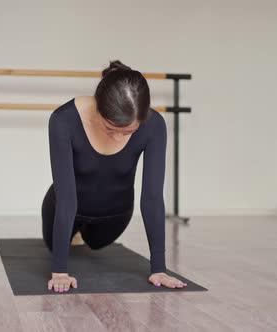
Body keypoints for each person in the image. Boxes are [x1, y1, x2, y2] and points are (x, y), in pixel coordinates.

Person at [42, 60, 187, 293]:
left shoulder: (154, 125)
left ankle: (84, 235)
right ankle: (72, 234)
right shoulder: (63, 120)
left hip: (114, 215)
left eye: (129, 132)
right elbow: (66, 199)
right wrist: (60, 270)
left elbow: (151, 197)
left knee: (97, 244)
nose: (119, 138)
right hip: (65, 206)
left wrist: (158, 268)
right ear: (97, 106)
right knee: (53, 243)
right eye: (111, 129)